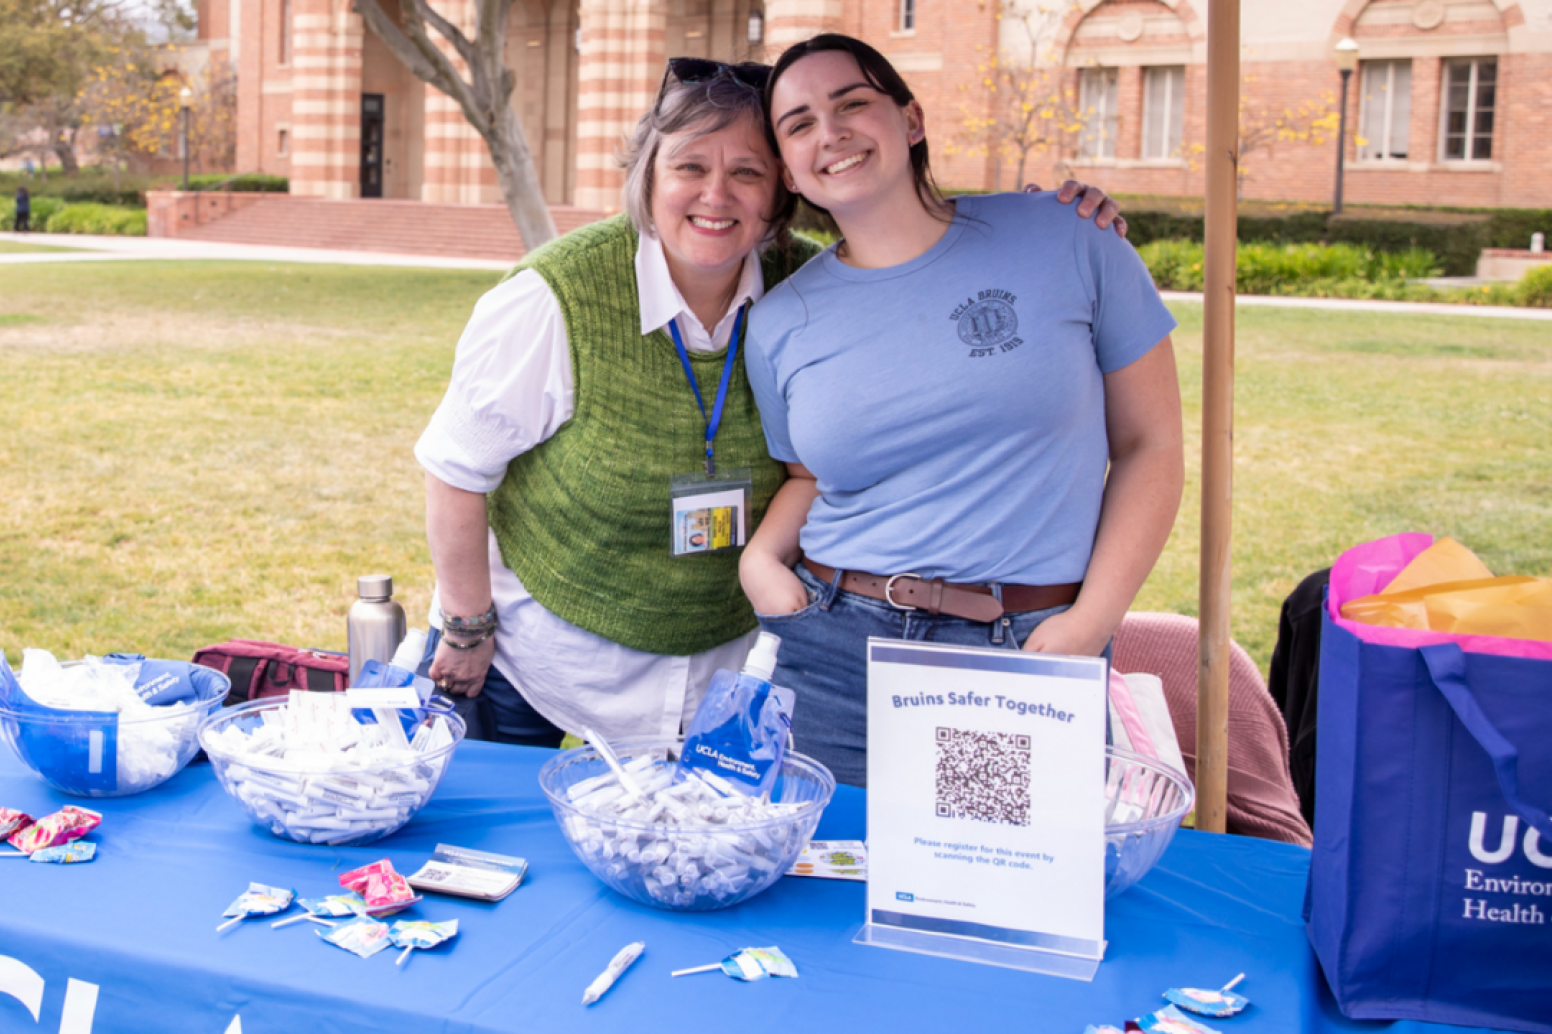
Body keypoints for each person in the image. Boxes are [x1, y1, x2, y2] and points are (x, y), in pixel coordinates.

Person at [413, 57, 1127, 748]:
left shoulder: (815, 288)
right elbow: (456, 469)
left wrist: (1039, 226)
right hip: (547, 651)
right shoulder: (554, 298)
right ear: (646, 178)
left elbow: (917, 258)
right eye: (690, 167)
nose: (715, 195)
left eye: (746, 172)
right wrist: (469, 627)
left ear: (781, 192)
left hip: (730, 661)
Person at [740, 35, 1184, 787]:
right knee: (814, 887)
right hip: (835, 652)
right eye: (800, 123)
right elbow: (808, 476)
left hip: (1024, 650)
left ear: (911, 120)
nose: (832, 133)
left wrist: (1088, 623)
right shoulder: (781, 320)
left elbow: (1150, 445)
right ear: (787, 167)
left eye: (853, 104)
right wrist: (759, 560)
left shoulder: (1069, 237)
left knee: (1000, 891)